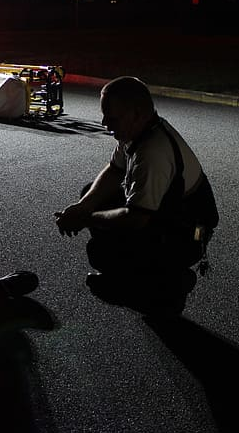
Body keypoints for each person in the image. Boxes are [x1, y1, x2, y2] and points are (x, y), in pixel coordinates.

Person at [54, 76, 219, 315]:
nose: (104, 123)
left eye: (112, 118)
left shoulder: (153, 153)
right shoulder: (138, 131)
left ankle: (169, 284)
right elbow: (115, 169)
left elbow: (135, 218)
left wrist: (85, 219)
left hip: (190, 233)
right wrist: (83, 206)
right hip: (168, 214)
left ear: (137, 114)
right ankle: (139, 276)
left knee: (103, 252)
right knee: (91, 194)